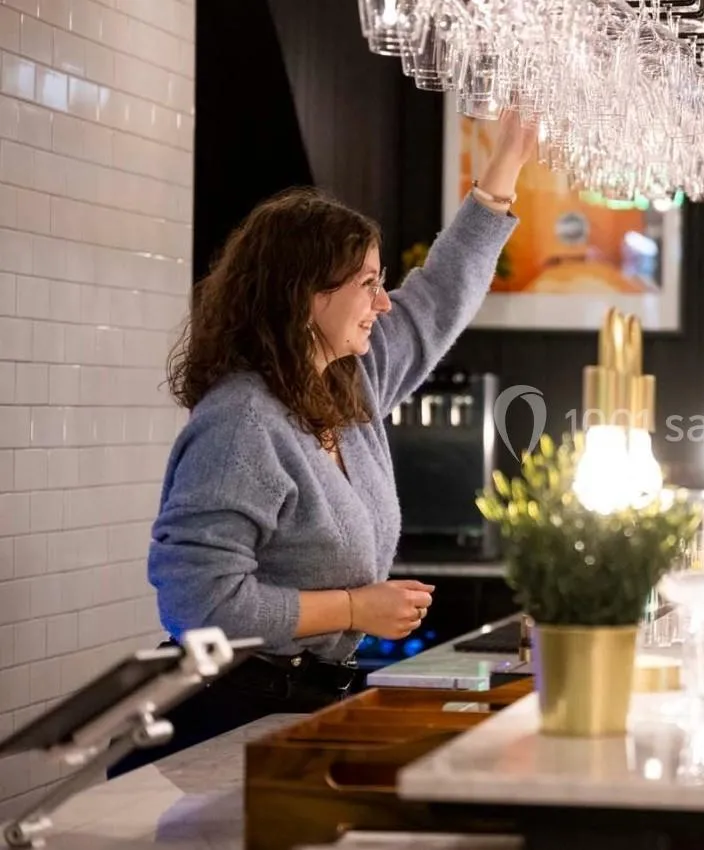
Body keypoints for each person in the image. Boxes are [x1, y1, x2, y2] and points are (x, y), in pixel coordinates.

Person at [107, 111, 538, 777]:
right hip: (223, 714)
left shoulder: (347, 385)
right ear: (306, 295)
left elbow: (438, 298)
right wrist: (356, 607)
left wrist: (505, 163)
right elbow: (199, 606)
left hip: (298, 702)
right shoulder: (242, 424)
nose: (384, 303)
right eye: (368, 283)